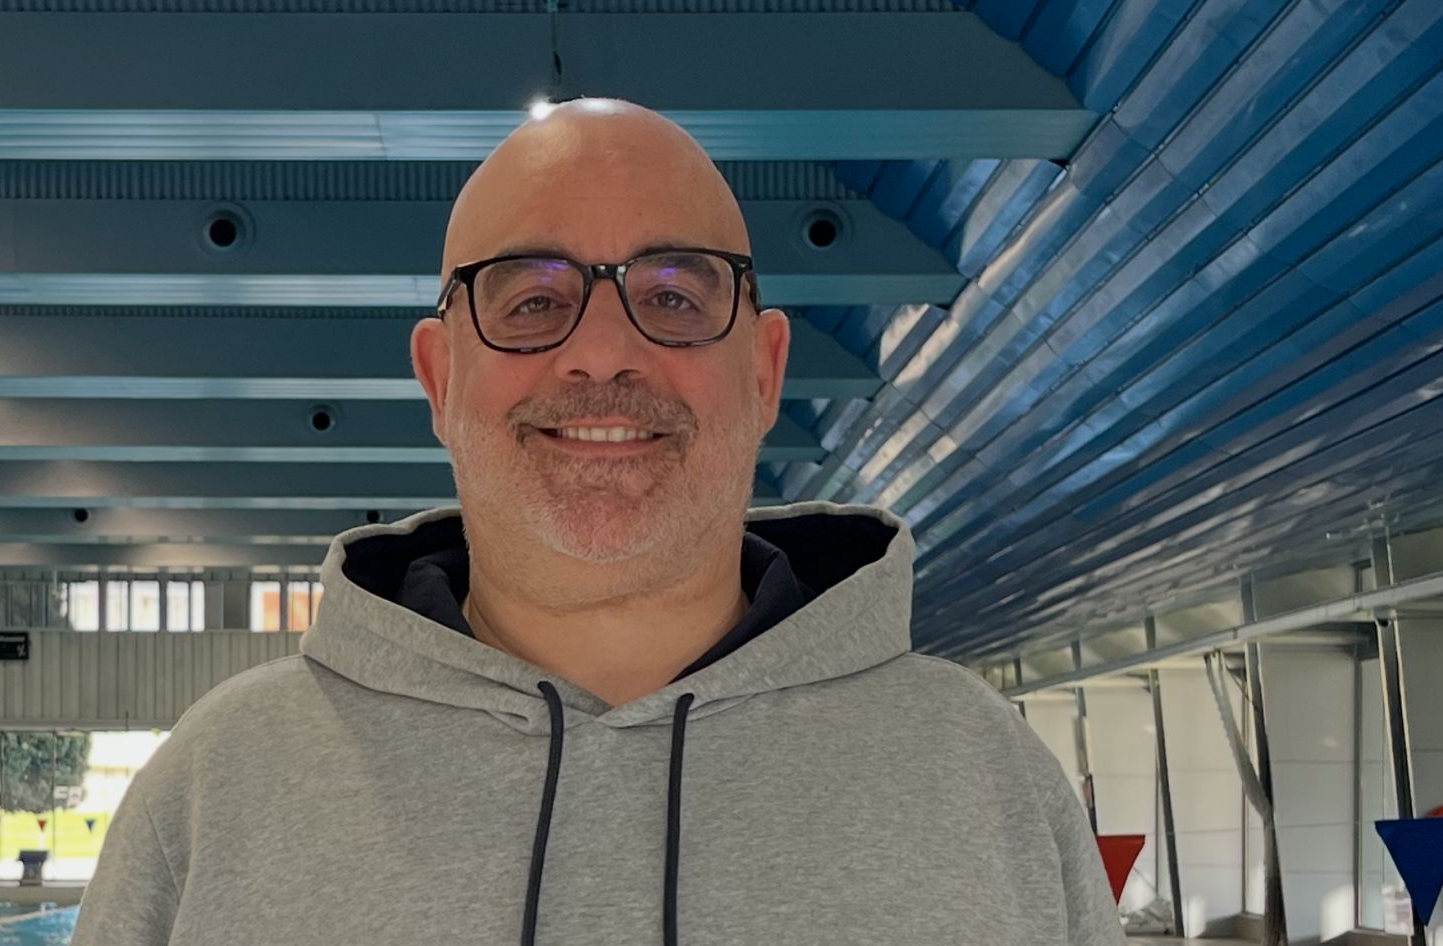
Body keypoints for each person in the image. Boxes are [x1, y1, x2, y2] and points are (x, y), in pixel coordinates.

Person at [72, 99, 1125, 946]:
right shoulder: (221, 787)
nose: (604, 353)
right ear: (440, 379)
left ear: (764, 372)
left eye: (673, 297)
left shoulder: (981, 777)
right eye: (531, 300)